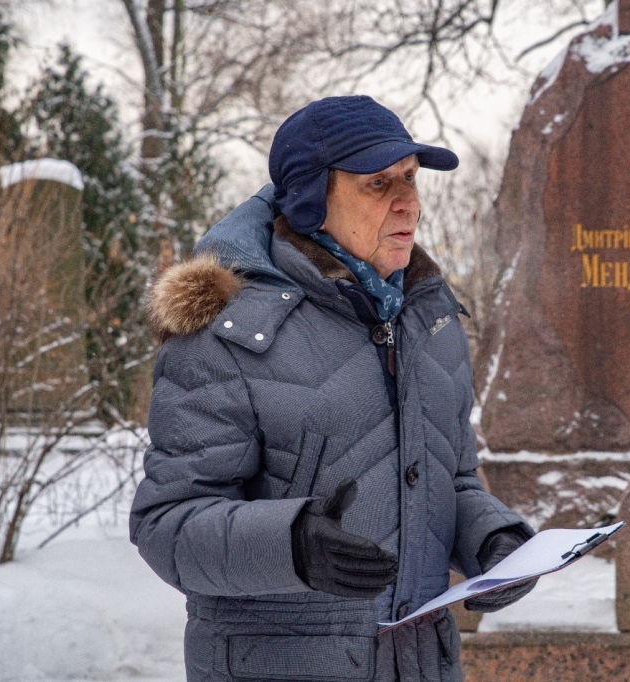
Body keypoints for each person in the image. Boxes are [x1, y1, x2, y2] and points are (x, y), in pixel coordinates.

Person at [130, 95, 537, 681]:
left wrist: (493, 541)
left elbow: (451, 479)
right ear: (310, 200)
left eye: (410, 177)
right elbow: (166, 522)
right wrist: (291, 545)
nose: (408, 201)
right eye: (378, 183)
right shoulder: (230, 334)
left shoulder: (431, 321)